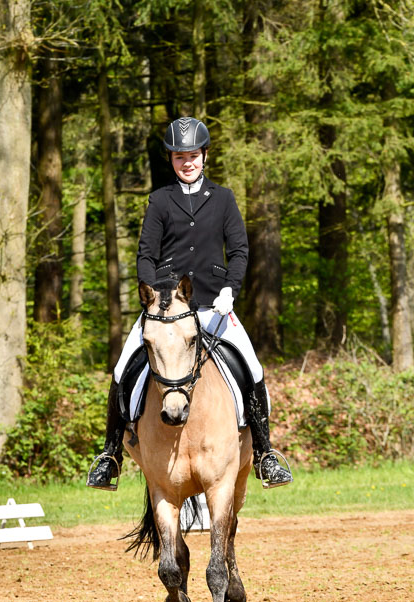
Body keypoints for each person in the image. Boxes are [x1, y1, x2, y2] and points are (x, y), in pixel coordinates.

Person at [87, 116, 293, 491]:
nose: (187, 162)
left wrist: (231, 288)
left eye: (193, 155)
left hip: (215, 305)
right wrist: (153, 296)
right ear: (171, 159)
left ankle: (264, 453)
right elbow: (145, 255)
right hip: (166, 310)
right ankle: (110, 455)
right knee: (122, 369)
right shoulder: (160, 200)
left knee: (253, 367)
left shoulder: (225, 198)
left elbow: (241, 251)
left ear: (204, 155)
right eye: (180, 156)